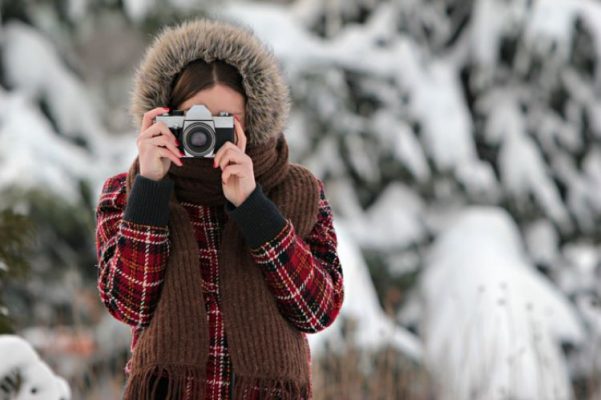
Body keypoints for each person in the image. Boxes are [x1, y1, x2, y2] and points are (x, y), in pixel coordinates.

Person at [95, 18, 345, 400]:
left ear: (254, 120)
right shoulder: (127, 193)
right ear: (166, 115)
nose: (206, 133)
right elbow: (128, 303)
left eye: (225, 120)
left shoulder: (298, 191)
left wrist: (254, 207)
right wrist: (151, 188)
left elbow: (317, 311)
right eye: (196, 118)